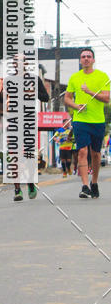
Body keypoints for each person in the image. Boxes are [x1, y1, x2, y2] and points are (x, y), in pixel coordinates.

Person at [64, 47, 110, 199]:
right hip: (80, 120)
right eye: (83, 57)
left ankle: (94, 182)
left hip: (97, 121)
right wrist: (76, 106)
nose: (85, 59)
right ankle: (84, 186)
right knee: (82, 151)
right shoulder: (75, 78)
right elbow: (67, 98)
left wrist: (90, 92)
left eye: (88, 56)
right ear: (80, 60)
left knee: (96, 154)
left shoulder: (102, 76)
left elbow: (106, 98)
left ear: (93, 60)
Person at [0, 73, 49, 201]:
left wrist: (33, 92)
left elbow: (45, 98)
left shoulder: (34, 79)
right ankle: (17, 189)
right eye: (16, 61)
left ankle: (30, 182)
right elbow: (0, 98)